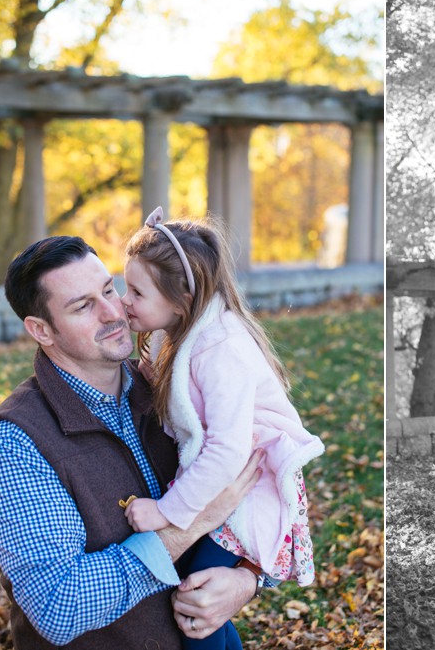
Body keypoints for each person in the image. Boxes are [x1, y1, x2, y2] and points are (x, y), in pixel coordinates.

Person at [0, 236, 264, 649]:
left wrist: (248, 579)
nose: (114, 312)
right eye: (82, 306)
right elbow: (59, 606)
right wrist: (194, 520)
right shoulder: (14, 443)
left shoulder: (173, 387)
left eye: (108, 289)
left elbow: (261, 490)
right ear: (41, 330)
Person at [120, 208, 325, 649]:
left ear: (180, 300)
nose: (124, 301)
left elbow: (227, 451)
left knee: (196, 602)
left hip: (252, 481)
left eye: (136, 291)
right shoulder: (172, 331)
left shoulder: (220, 349)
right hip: (221, 477)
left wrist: (168, 511)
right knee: (195, 598)